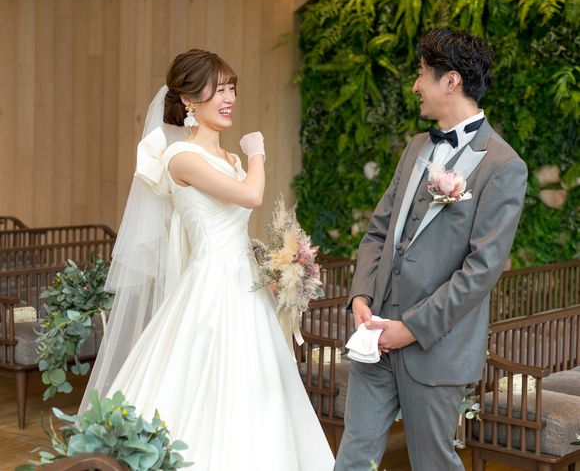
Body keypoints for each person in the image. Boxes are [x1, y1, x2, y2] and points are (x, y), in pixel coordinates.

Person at [81, 49, 334, 471]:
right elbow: (252, 196)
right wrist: (258, 153)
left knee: (259, 391)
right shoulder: (181, 158)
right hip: (210, 289)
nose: (229, 98)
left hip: (246, 289)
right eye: (218, 90)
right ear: (188, 100)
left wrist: (276, 272)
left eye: (231, 88)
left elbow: (236, 231)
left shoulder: (229, 160)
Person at [334, 28, 528, 471]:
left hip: (436, 349)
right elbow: (379, 232)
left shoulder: (504, 166)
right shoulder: (416, 147)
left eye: (422, 73)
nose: (415, 85)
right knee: (353, 459)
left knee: (432, 464)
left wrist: (412, 327)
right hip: (376, 338)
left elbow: (481, 271)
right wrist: (361, 295)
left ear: (451, 80)